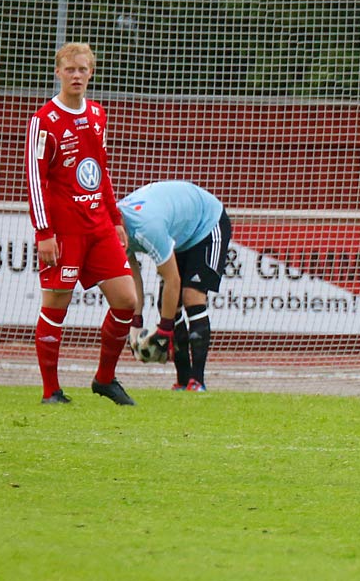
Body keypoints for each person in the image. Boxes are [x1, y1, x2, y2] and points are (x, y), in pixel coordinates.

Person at [26, 42, 139, 406]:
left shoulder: (97, 114)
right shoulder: (44, 120)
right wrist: (44, 233)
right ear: (58, 72)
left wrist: (115, 218)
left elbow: (100, 170)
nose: (77, 75)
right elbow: (35, 179)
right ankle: (50, 391)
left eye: (83, 69)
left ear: (91, 73)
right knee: (57, 305)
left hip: (99, 226)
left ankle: (104, 379)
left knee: (127, 301)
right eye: (70, 69)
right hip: (64, 232)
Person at [118, 179, 232, 391]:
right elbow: (132, 278)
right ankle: (182, 380)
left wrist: (164, 329)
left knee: (191, 297)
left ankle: (197, 382)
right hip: (181, 233)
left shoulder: (147, 228)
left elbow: (173, 280)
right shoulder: (113, 232)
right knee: (167, 305)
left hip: (208, 224)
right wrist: (135, 320)